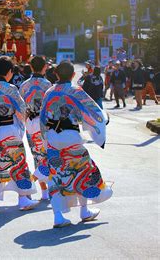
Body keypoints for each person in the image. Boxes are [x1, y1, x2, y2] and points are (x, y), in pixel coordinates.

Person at [40, 61, 112, 228]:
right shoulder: (76, 91)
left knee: (56, 175)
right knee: (84, 171)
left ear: (56, 74)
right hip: (70, 136)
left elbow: (42, 120)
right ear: (73, 75)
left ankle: (58, 216)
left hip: (52, 137)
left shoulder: (49, 93)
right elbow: (94, 112)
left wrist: (45, 142)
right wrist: (101, 122)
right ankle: (84, 210)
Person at [0, 56, 39, 215]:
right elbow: (22, 110)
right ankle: (23, 199)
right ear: (9, 72)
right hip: (8, 128)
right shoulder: (11, 88)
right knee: (18, 162)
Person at [19, 56, 52, 201]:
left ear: (31, 67)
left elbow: (21, 106)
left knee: (36, 154)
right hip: (44, 122)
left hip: (30, 122)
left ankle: (43, 190)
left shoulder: (24, 85)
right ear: (44, 67)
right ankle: (50, 188)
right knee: (47, 155)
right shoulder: (47, 84)